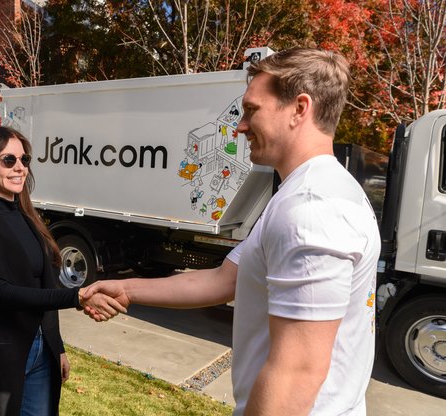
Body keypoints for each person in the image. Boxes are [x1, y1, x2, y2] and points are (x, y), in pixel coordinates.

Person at [83, 48, 381, 416]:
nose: (240, 126)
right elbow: (225, 280)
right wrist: (127, 289)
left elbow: (296, 375)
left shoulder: (311, 209)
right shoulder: (318, 191)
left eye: (252, 110)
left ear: (299, 109)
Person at [0, 126, 124, 416]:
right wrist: (77, 297)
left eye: (24, 159)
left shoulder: (29, 218)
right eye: (8, 160)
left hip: (41, 350)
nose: (20, 168)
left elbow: (46, 284)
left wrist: (56, 346)